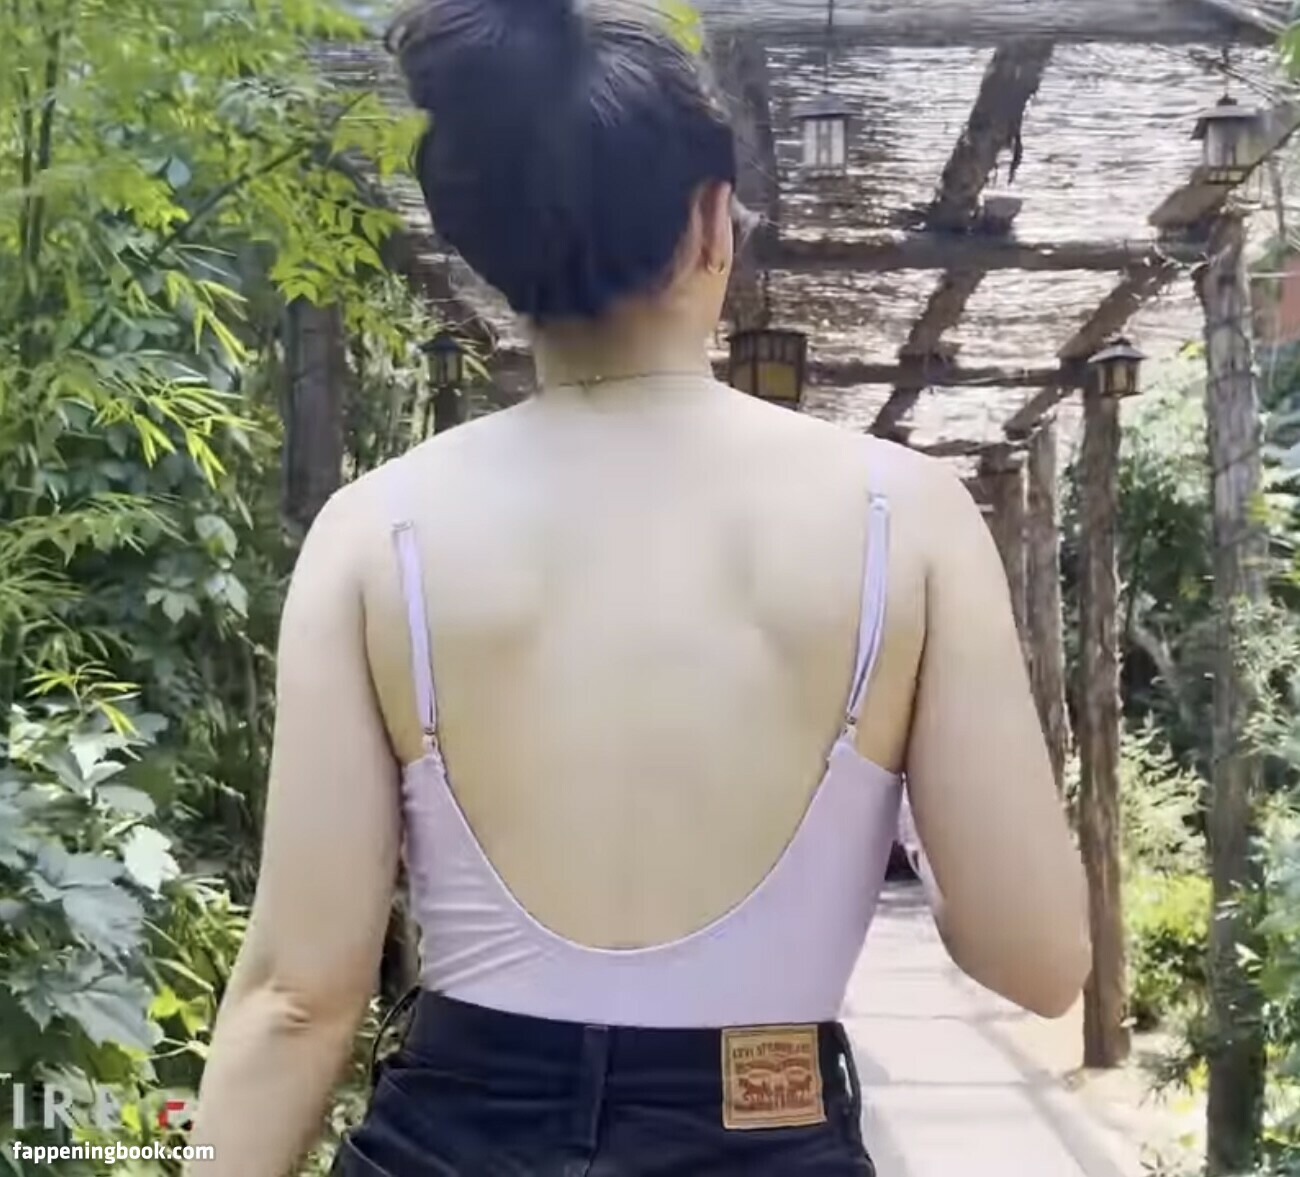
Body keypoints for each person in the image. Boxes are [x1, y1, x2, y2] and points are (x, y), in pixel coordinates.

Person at [188, 0, 1091, 1172]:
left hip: (450, 1134)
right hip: (763, 1130)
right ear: (713, 220)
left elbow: (296, 999)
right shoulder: (903, 519)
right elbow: (1037, 959)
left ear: (490, 244)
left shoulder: (375, 534)